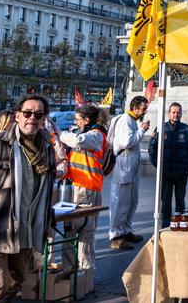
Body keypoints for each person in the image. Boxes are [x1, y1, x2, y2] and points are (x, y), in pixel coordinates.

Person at [0, 94, 57, 303]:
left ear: (44, 119)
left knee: (15, 282)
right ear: (17, 116)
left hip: (25, 230)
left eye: (38, 114)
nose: (32, 118)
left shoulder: (48, 150)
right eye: (27, 113)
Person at [59, 104, 108, 272]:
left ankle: (86, 271)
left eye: (78, 119)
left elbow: (77, 142)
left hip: (87, 187)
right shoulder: (85, 132)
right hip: (76, 186)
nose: (75, 122)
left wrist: (58, 133)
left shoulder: (96, 135)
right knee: (70, 229)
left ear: (87, 120)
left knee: (85, 231)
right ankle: (69, 269)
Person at [108, 95, 150, 250]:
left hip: (131, 167)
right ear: (135, 108)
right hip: (123, 167)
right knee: (120, 202)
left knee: (132, 201)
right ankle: (115, 235)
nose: (145, 111)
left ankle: (126, 230)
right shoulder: (126, 120)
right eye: (143, 109)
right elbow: (127, 142)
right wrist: (142, 130)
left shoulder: (132, 120)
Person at [148, 102, 188, 228]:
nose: (176, 114)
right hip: (166, 173)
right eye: (173, 112)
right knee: (165, 202)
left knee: (180, 201)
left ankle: (180, 224)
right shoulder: (161, 129)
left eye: (178, 112)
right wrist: (158, 165)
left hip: (181, 173)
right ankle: (165, 225)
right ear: (169, 113)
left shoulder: (187, 130)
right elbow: (152, 148)